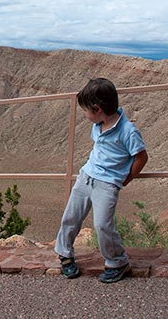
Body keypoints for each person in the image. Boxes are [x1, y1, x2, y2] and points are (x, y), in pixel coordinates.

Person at [55, 77, 148, 283]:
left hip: (107, 184)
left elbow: (141, 157)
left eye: (86, 111)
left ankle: (117, 262)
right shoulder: (98, 125)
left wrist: (126, 178)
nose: (85, 115)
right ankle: (65, 253)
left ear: (97, 109)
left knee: (103, 225)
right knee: (71, 216)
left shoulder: (128, 131)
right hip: (86, 176)